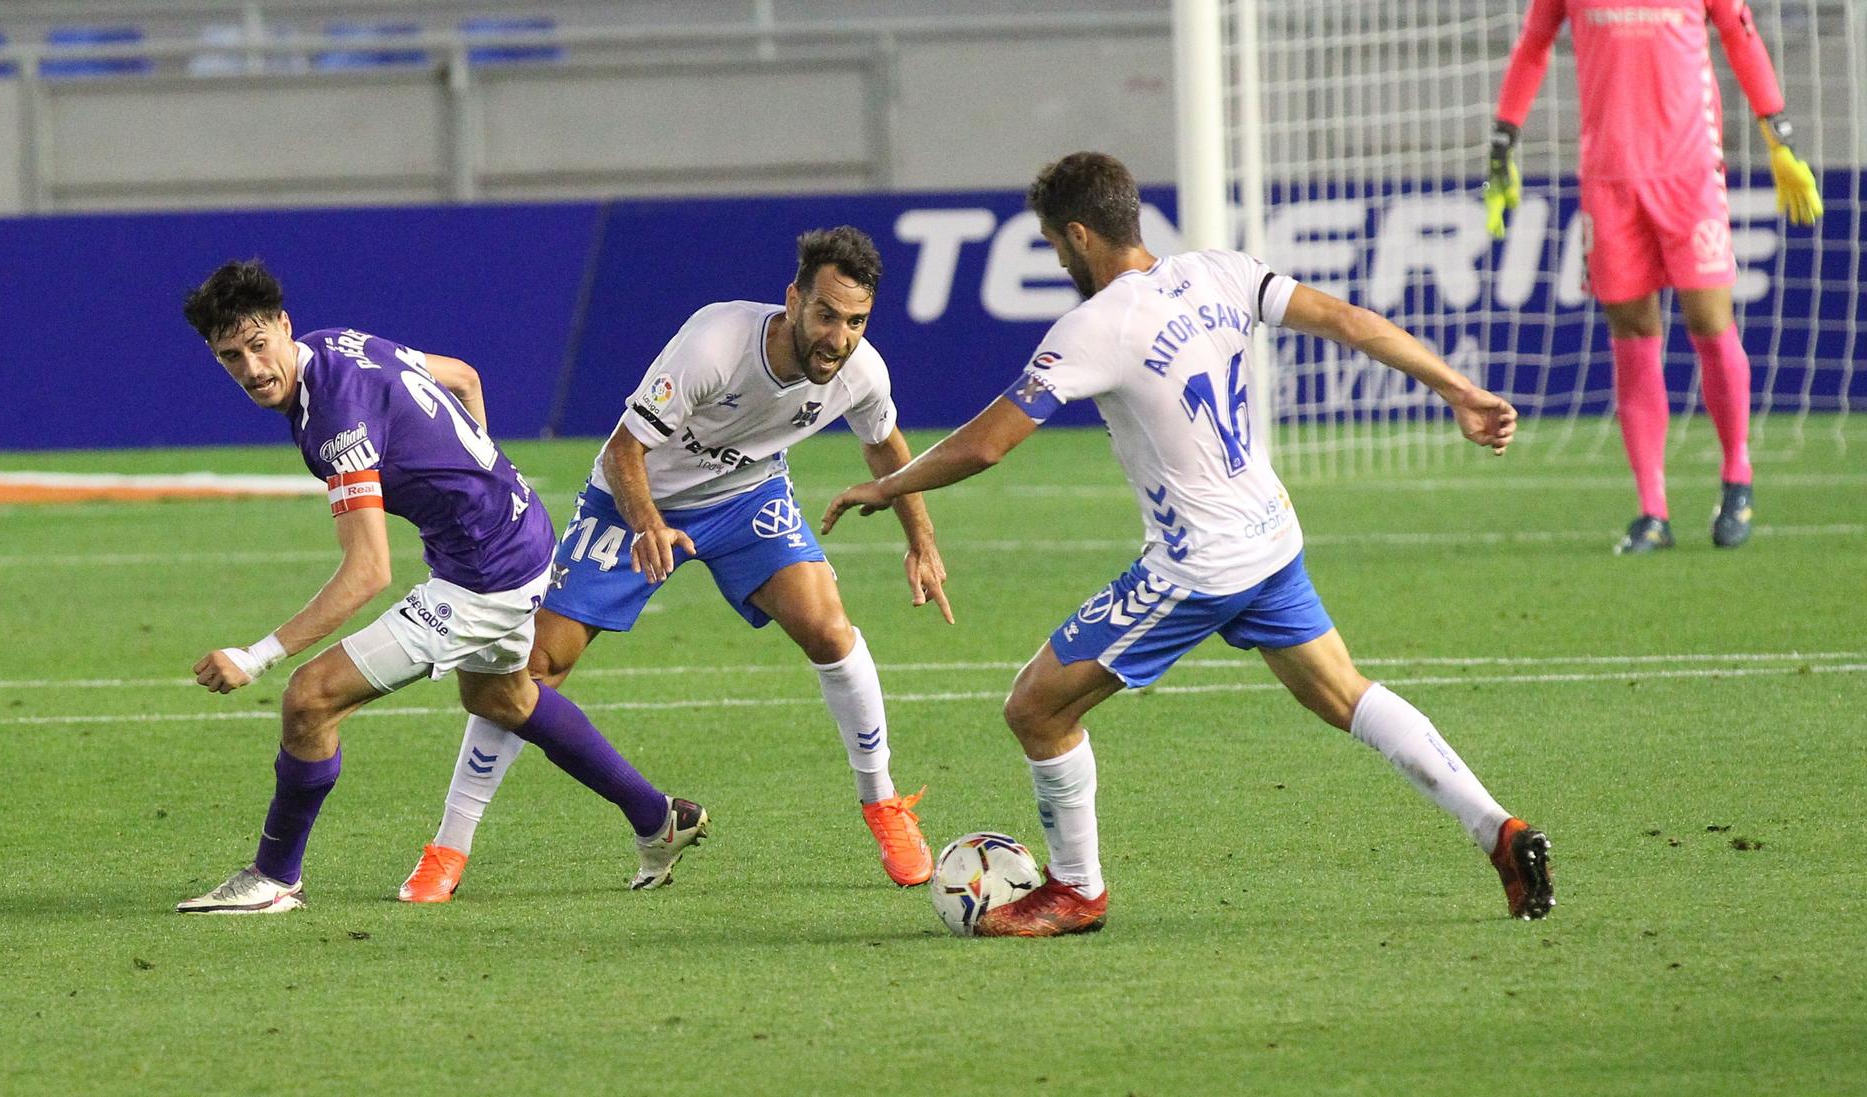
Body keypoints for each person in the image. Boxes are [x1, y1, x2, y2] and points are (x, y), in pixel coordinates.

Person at [823, 152, 1554, 937]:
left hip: (1197, 565)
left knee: (1035, 709)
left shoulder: (1095, 324)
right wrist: (1457, 386)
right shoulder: (1223, 272)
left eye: (1053, 245)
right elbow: (1348, 319)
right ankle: (1499, 831)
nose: (1058, 260)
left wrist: (890, 485)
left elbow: (989, 442)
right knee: (1344, 691)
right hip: (1270, 535)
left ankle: (1076, 889)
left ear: (1078, 235)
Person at [396, 227, 951, 903]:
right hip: (634, 498)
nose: (838, 336)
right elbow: (624, 450)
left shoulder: (861, 371)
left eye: (856, 320)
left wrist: (919, 537)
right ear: (793, 301)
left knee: (830, 629)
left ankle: (883, 804)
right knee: (533, 667)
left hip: (747, 497)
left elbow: (887, 446)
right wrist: (648, 523)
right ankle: (449, 845)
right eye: (827, 314)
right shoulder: (716, 344)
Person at [176, 259, 706, 914]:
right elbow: (463, 376)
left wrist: (253, 655)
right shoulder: (337, 343)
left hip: (484, 574)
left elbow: (369, 569)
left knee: (308, 700)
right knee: (505, 697)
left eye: (259, 345)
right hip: (520, 532)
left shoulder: (336, 417)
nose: (253, 368)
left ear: (284, 326)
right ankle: (659, 817)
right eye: (232, 357)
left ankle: (275, 877)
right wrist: (478, 477)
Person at [1483, 0, 1823, 554]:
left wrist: (1778, 137)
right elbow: (1532, 47)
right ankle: (1652, 512)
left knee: (1709, 322)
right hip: (1609, 178)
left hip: (1690, 174)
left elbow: (1741, 36)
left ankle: (1737, 477)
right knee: (1633, 333)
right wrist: (1503, 141)